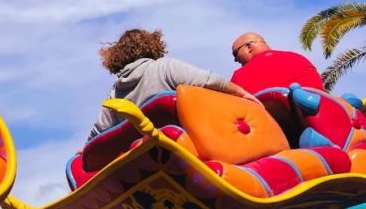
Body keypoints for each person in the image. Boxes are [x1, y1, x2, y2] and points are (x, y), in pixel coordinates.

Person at [89, 29, 260, 138]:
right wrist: (242, 93)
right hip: (182, 149)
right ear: (152, 46)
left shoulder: (115, 91)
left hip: (141, 161)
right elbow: (210, 81)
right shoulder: (163, 67)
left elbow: (99, 131)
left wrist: (83, 151)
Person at [230, 32, 324, 93]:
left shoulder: (240, 75)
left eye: (235, 53)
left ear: (248, 47)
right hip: (319, 117)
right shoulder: (297, 58)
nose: (235, 59)